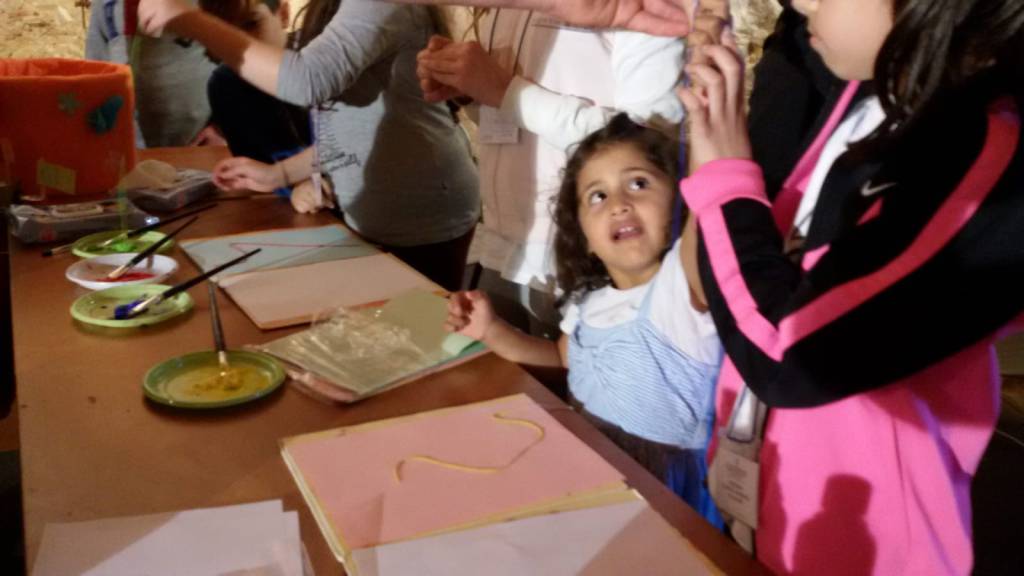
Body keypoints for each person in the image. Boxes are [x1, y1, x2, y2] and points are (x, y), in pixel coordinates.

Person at [679, 0, 1024, 572]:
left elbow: (787, 354)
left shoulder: (983, 152)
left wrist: (723, 179)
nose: (798, 2)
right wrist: (716, 145)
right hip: (766, 504)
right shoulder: (853, 88)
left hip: (868, 546)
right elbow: (709, 278)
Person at [446, 115, 723, 523]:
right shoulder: (589, 303)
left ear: (681, 200)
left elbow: (709, 215)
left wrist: (706, 130)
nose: (619, 204)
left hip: (661, 495)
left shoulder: (680, 293)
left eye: (639, 183)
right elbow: (561, 361)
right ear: (585, 236)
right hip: (590, 469)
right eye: (597, 196)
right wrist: (491, 331)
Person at [137, 0, 480, 291]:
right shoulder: (336, 7)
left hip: (422, 212)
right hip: (382, 213)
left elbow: (308, 82)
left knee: (418, 347)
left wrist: (194, 21)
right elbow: (348, 125)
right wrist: (281, 173)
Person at [416, 7, 685, 339]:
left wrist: (505, 92)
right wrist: (469, 90)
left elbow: (652, 146)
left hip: (587, 262)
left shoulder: (648, 9)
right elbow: (510, 120)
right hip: (504, 252)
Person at [199, 0, 311, 172]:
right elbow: (260, 167)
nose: (240, 43)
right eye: (223, 31)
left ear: (283, 15)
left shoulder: (327, 59)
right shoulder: (226, 86)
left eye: (252, 24)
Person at [86, 0, 216, 147]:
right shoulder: (106, 6)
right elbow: (95, 71)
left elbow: (237, 59)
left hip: (199, 142)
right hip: (129, 145)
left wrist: (221, 129)